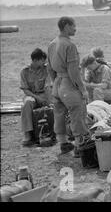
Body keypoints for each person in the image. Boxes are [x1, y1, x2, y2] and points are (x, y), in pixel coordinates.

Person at [47, 16, 90, 155]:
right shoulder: (69, 45)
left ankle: (63, 143)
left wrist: (56, 82)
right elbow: (73, 71)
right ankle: (79, 146)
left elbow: (49, 68)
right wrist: (82, 89)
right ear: (66, 26)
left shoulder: (52, 43)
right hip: (68, 84)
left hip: (57, 84)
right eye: (73, 26)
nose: (75, 28)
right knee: (78, 112)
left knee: (59, 114)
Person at [19, 48, 52, 146]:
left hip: (43, 94)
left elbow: (48, 85)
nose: (44, 62)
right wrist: (37, 98)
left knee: (54, 104)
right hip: (31, 95)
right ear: (35, 60)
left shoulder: (46, 69)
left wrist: (48, 99)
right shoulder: (24, 71)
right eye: (42, 60)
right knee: (27, 104)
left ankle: (51, 131)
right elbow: (25, 90)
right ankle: (27, 133)